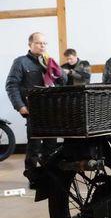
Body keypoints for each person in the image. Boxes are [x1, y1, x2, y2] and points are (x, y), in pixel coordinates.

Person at [5, 32, 66, 187]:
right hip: (33, 110)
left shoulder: (48, 61)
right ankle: (33, 179)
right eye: (39, 43)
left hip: (50, 110)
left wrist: (55, 68)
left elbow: (63, 81)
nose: (42, 46)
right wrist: (20, 106)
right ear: (30, 44)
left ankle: (49, 177)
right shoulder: (21, 62)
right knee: (34, 147)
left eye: (44, 43)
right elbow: (11, 85)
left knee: (51, 147)